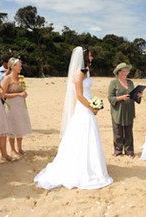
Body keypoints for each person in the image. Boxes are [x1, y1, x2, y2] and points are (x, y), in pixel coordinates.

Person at [34, 47, 113, 190]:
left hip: (87, 105)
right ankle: (81, 167)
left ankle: (91, 166)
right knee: (82, 135)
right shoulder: (77, 73)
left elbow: (86, 92)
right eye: (90, 55)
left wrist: (94, 104)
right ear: (84, 57)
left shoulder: (86, 72)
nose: (92, 58)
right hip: (83, 108)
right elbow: (79, 95)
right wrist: (92, 107)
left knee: (90, 136)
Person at [108, 62, 142, 159]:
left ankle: (129, 151)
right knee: (118, 132)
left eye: (127, 70)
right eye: (124, 70)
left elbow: (134, 97)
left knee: (129, 132)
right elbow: (110, 98)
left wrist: (138, 96)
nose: (127, 72)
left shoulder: (130, 82)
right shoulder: (113, 83)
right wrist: (121, 98)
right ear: (119, 72)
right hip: (117, 111)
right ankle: (118, 151)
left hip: (129, 110)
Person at [2, 57, 32, 156]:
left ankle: (19, 148)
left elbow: (22, 90)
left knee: (20, 125)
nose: (21, 67)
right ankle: (12, 149)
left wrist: (24, 93)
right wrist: (18, 95)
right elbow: (3, 94)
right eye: (19, 66)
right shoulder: (7, 78)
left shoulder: (20, 78)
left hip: (20, 105)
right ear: (13, 67)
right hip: (11, 105)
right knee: (12, 126)